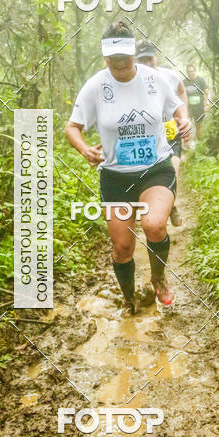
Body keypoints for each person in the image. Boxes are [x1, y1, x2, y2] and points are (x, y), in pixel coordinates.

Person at [65, 21, 192, 313]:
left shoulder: (154, 79)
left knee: (154, 224)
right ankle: (128, 297)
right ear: (104, 56)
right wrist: (84, 149)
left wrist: (183, 120)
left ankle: (158, 279)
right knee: (122, 248)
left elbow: (176, 106)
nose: (119, 63)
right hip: (116, 177)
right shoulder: (96, 86)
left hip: (155, 169)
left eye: (125, 56)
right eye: (113, 58)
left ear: (134, 53)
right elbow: (72, 127)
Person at [136, 39, 187, 227]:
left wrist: (184, 117)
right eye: (142, 61)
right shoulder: (131, 80)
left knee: (173, 169)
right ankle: (158, 209)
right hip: (147, 137)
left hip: (171, 132)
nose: (147, 64)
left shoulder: (169, 76)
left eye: (150, 59)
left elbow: (181, 91)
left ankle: (171, 206)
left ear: (156, 57)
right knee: (151, 175)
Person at [183, 63, 209, 140]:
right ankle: (189, 144)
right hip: (189, 107)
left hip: (199, 107)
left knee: (198, 126)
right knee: (188, 126)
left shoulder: (200, 80)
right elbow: (182, 95)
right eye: (189, 72)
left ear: (195, 71)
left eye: (192, 71)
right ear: (187, 72)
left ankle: (199, 144)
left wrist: (206, 104)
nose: (191, 73)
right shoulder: (184, 82)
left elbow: (207, 92)